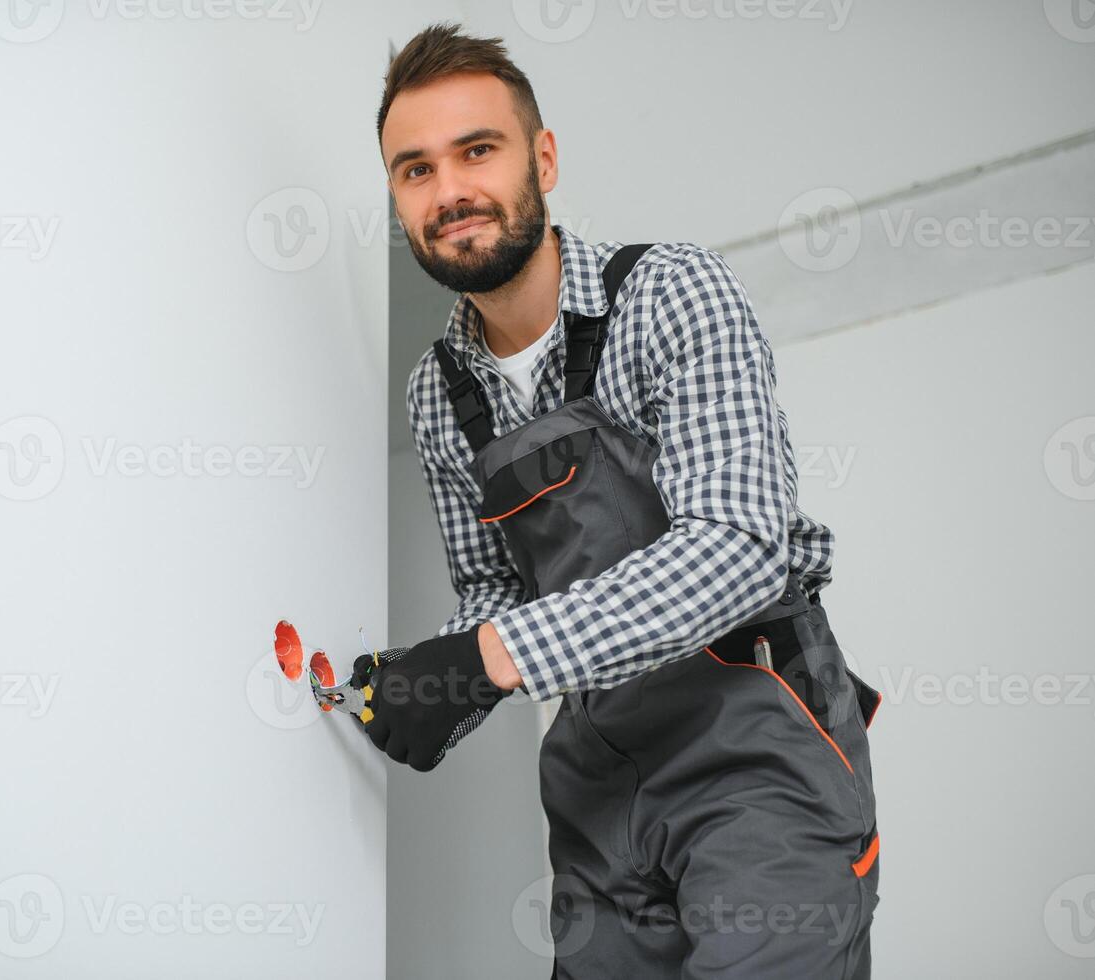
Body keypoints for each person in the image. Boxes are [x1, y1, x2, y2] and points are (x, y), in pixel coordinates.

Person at [350, 22, 883, 979]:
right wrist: (432, 680)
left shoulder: (668, 294)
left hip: (756, 760)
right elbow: (494, 589)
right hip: (600, 784)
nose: (449, 191)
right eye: (414, 170)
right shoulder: (438, 391)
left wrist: (489, 660)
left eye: (477, 151)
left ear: (541, 158)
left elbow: (736, 546)